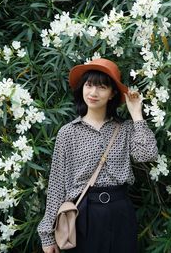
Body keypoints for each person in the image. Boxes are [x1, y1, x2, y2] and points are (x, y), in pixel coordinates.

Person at [37, 58, 158, 253]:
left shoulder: (125, 129)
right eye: (89, 85)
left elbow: (147, 154)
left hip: (120, 212)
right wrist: (47, 234)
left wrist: (136, 115)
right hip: (83, 214)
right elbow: (57, 184)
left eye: (102, 87)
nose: (93, 93)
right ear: (82, 88)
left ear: (112, 94)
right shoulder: (68, 133)